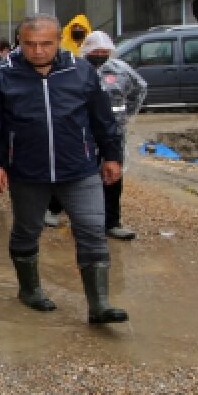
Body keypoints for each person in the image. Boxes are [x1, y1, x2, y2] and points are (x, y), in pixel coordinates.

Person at [0, 14, 128, 325]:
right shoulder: (0, 74)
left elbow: (102, 118)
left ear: (58, 41)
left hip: (80, 168)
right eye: (30, 44)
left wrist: (112, 156)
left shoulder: (80, 70)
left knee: (91, 230)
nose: (38, 51)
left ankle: (99, 304)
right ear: (19, 42)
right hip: (27, 170)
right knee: (27, 230)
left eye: (46, 44)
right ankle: (29, 289)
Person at [49, 31, 149, 241]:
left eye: (105, 51)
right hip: (80, 133)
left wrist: (125, 115)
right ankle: (56, 209)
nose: (101, 55)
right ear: (87, 50)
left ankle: (111, 222)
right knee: (72, 172)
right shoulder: (74, 69)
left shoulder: (120, 70)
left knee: (112, 175)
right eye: (96, 51)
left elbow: (140, 89)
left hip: (113, 132)